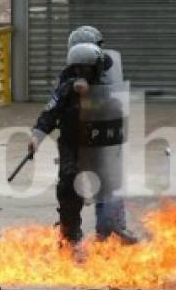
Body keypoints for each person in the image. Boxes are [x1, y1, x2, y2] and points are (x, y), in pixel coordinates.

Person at [28, 42, 136, 246]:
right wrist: (37, 137)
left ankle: (110, 232)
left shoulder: (108, 87)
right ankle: (69, 234)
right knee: (68, 184)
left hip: (100, 146)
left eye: (85, 68)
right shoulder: (65, 89)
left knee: (108, 187)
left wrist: (91, 96)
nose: (80, 72)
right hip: (72, 145)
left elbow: (116, 112)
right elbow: (50, 112)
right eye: (77, 68)